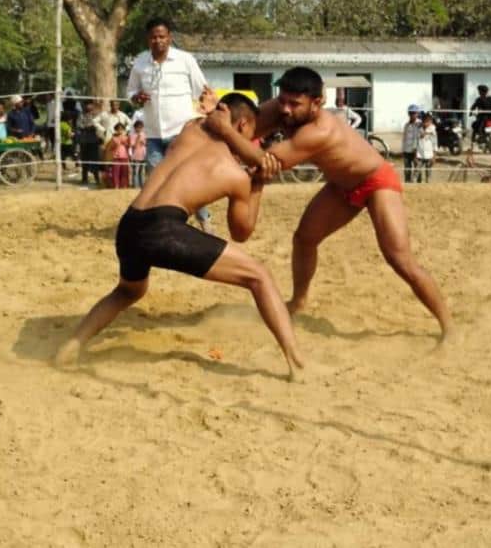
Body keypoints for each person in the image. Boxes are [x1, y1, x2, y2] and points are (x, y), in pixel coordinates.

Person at [55, 93, 304, 379]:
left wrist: (225, 128)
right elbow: (241, 232)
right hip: (164, 228)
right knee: (259, 276)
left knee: (128, 290)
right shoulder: (235, 175)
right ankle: (294, 358)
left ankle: (72, 345)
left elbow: (212, 121)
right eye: (250, 133)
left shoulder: (190, 130)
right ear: (243, 124)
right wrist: (258, 183)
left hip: (130, 224)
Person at [204, 66, 454, 344]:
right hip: (341, 186)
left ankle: (448, 326)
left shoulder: (318, 131)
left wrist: (227, 132)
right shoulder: (282, 108)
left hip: (376, 181)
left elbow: (263, 161)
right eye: (282, 100)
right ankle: (298, 302)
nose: (285, 109)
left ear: (317, 103)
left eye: (294, 104)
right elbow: (246, 127)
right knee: (304, 239)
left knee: (400, 258)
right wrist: (216, 120)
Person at [126, 16, 213, 232]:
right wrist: (137, 97)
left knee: (188, 178)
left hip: (181, 131)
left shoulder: (185, 60)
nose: (158, 41)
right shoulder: (140, 63)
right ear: (148, 39)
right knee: (156, 179)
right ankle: (160, 222)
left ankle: (205, 220)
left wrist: (205, 114)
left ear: (169, 38)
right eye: (154, 37)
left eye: (162, 36)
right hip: (154, 132)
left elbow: (203, 90)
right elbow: (129, 92)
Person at [78, 101, 104, 186]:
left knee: (95, 161)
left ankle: (97, 179)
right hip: (84, 141)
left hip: (94, 141)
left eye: (90, 105)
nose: (88, 107)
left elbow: (100, 126)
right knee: (84, 161)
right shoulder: (81, 115)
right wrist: (89, 126)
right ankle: (84, 179)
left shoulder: (97, 115)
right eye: (87, 105)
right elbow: (79, 125)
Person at [106, 122, 131, 189]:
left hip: (124, 157)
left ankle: (124, 186)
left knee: (124, 172)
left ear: (123, 130)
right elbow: (109, 148)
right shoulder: (113, 138)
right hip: (116, 157)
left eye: (121, 129)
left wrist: (125, 143)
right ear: (116, 130)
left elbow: (129, 146)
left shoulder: (126, 138)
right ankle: (116, 186)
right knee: (115, 173)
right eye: (118, 129)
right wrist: (115, 145)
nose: (120, 130)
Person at [416, 112, 437, 183]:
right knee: (417, 173)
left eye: (428, 121)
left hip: (429, 155)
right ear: (422, 120)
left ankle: (428, 186)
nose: (426, 123)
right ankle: (417, 186)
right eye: (425, 121)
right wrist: (415, 155)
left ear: (431, 121)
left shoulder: (433, 130)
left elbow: (435, 144)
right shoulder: (419, 129)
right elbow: (416, 143)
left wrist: (434, 156)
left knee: (428, 174)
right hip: (419, 155)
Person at [402, 105, 420, 183]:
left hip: (416, 151)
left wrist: (417, 153)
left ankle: (419, 187)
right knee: (407, 170)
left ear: (417, 113)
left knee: (417, 171)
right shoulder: (406, 125)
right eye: (411, 113)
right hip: (407, 151)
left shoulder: (419, 125)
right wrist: (403, 150)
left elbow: (419, 139)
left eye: (414, 113)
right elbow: (404, 139)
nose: (412, 115)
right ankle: (407, 184)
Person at [129, 120, 148, 188]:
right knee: (135, 172)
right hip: (135, 155)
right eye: (138, 127)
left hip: (143, 155)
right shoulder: (132, 135)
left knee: (141, 171)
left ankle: (142, 185)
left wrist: (144, 142)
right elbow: (132, 146)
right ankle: (135, 185)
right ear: (135, 128)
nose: (139, 129)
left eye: (141, 127)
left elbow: (146, 144)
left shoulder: (144, 135)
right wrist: (137, 139)